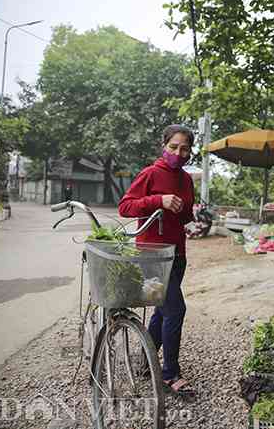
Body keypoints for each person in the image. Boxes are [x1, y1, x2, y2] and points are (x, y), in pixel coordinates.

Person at [119, 124, 195, 396]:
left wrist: (185, 211)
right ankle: (169, 373)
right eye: (173, 147)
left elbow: (185, 216)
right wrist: (158, 200)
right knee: (176, 310)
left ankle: (144, 360)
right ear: (164, 146)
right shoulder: (150, 173)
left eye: (184, 149)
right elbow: (125, 206)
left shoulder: (187, 179)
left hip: (177, 254)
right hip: (151, 254)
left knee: (163, 310)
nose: (178, 153)